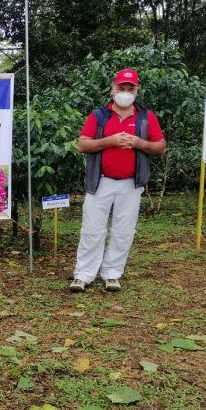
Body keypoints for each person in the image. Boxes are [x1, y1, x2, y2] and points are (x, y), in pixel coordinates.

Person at [70, 69, 166, 293]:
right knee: (92, 229)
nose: (125, 92)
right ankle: (83, 275)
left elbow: (160, 147)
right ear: (113, 88)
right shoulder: (99, 115)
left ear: (136, 90)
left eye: (129, 88)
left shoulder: (145, 117)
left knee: (124, 230)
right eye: (121, 87)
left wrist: (138, 143)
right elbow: (83, 144)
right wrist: (110, 141)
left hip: (131, 184)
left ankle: (112, 274)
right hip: (100, 181)